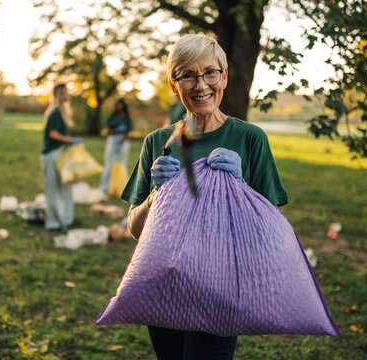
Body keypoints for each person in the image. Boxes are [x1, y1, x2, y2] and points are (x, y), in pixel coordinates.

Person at [121, 34, 288, 360]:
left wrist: (240, 188)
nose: (201, 85)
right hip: (163, 287)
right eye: (188, 75)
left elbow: (273, 233)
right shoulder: (158, 141)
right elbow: (133, 228)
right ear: (174, 85)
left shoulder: (250, 139)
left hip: (220, 290)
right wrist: (155, 196)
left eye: (210, 72)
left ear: (224, 76)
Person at [41, 83, 83, 230]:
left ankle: (65, 219)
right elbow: (52, 133)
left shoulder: (61, 112)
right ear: (60, 94)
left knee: (64, 186)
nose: (68, 95)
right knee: (53, 188)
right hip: (51, 154)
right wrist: (71, 140)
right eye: (66, 92)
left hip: (60, 153)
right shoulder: (55, 112)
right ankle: (53, 222)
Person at [98, 98, 133, 193]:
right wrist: (117, 130)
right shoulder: (112, 117)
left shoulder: (126, 118)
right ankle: (103, 187)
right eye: (115, 105)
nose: (116, 106)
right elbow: (107, 130)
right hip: (112, 140)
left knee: (122, 164)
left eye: (118, 104)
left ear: (122, 105)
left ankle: (122, 188)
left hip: (123, 141)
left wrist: (121, 142)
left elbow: (128, 133)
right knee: (109, 163)